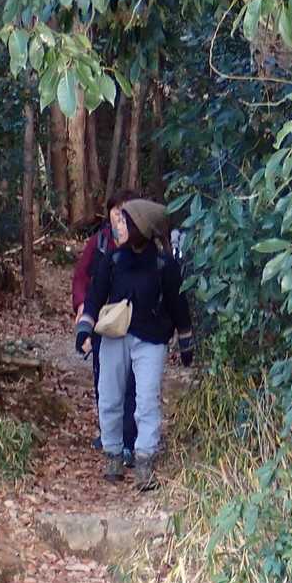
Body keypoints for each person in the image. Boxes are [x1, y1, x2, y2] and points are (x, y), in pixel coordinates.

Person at [74, 198, 195, 490]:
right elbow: (95, 296)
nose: (120, 226)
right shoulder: (112, 259)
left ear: (142, 227)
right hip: (113, 336)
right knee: (109, 397)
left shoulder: (164, 265)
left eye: (126, 222)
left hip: (151, 339)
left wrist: (186, 340)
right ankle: (113, 455)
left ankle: (144, 462)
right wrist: (84, 328)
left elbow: (178, 304)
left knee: (147, 401)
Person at [71, 191, 138, 465]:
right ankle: (109, 433)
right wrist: (81, 307)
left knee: (131, 382)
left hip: (133, 321)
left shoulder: (141, 243)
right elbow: (81, 277)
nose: (119, 215)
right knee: (103, 378)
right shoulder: (98, 242)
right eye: (115, 210)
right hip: (102, 320)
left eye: (124, 210)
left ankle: (129, 440)